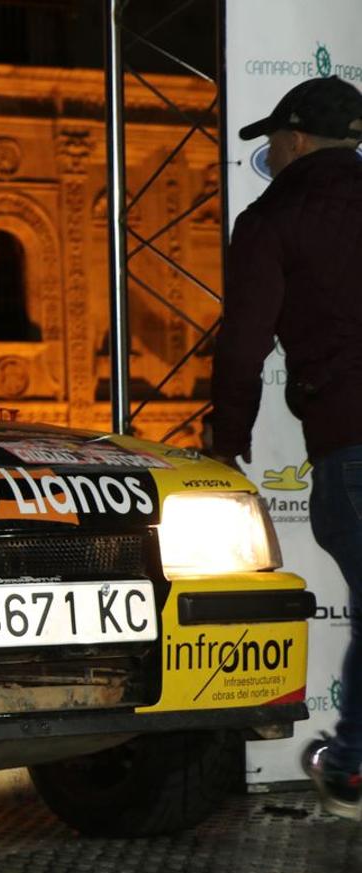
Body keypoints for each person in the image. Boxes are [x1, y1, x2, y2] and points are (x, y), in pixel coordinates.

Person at [208, 75, 362, 821]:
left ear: (296, 139)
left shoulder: (274, 217)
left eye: (272, 139)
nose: (270, 151)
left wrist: (227, 440)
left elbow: (242, 346)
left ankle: (357, 770)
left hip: (350, 439)